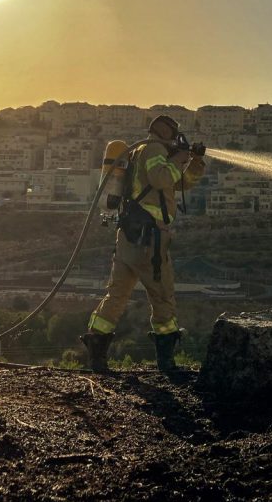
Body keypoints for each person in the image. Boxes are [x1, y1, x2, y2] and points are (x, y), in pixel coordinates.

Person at [81, 115, 206, 372]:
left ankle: (96, 357)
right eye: (174, 134)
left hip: (129, 237)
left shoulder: (143, 151)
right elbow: (161, 179)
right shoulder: (154, 150)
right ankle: (166, 362)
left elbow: (179, 183)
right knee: (162, 296)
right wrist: (180, 157)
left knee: (116, 295)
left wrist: (194, 162)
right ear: (166, 132)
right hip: (149, 239)